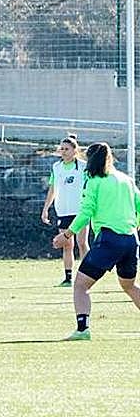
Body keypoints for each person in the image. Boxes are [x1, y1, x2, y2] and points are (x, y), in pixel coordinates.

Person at [52, 142, 140, 340]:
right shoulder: (126, 179)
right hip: (131, 240)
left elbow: (85, 212)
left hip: (109, 239)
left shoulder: (94, 181)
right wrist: (136, 225)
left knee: (80, 286)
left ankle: (83, 330)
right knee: (129, 286)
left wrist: (66, 234)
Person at [40, 134, 88, 287]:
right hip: (63, 211)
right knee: (67, 244)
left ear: (75, 150)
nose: (64, 152)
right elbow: (52, 189)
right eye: (62, 149)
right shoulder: (56, 167)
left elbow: (90, 187)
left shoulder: (83, 167)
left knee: (82, 243)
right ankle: (68, 278)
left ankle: (87, 276)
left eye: (67, 149)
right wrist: (46, 208)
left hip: (80, 210)